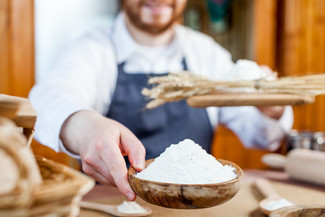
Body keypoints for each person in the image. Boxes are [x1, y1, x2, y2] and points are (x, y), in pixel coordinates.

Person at [29, 0, 293, 201]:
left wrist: (271, 108)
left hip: (197, 212)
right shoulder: (92, 49)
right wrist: (84, 127)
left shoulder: (205, 53)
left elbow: (261, 136)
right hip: (116, 210)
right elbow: (46, 98)